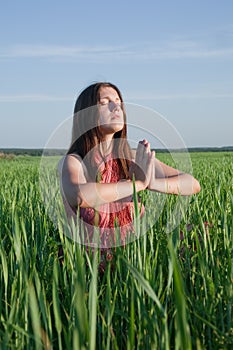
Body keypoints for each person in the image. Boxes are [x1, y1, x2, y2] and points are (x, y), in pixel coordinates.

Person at [59, 82, 200, 255]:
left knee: (202, 234)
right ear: (86, 114)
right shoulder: (74, 161)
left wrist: (152, 183)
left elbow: (192, 184)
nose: (116, 107)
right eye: (105, 102)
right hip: (93, 260)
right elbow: (79, 196)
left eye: (118, 102)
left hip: (136, 254)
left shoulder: (131, 157)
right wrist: (138, 183)